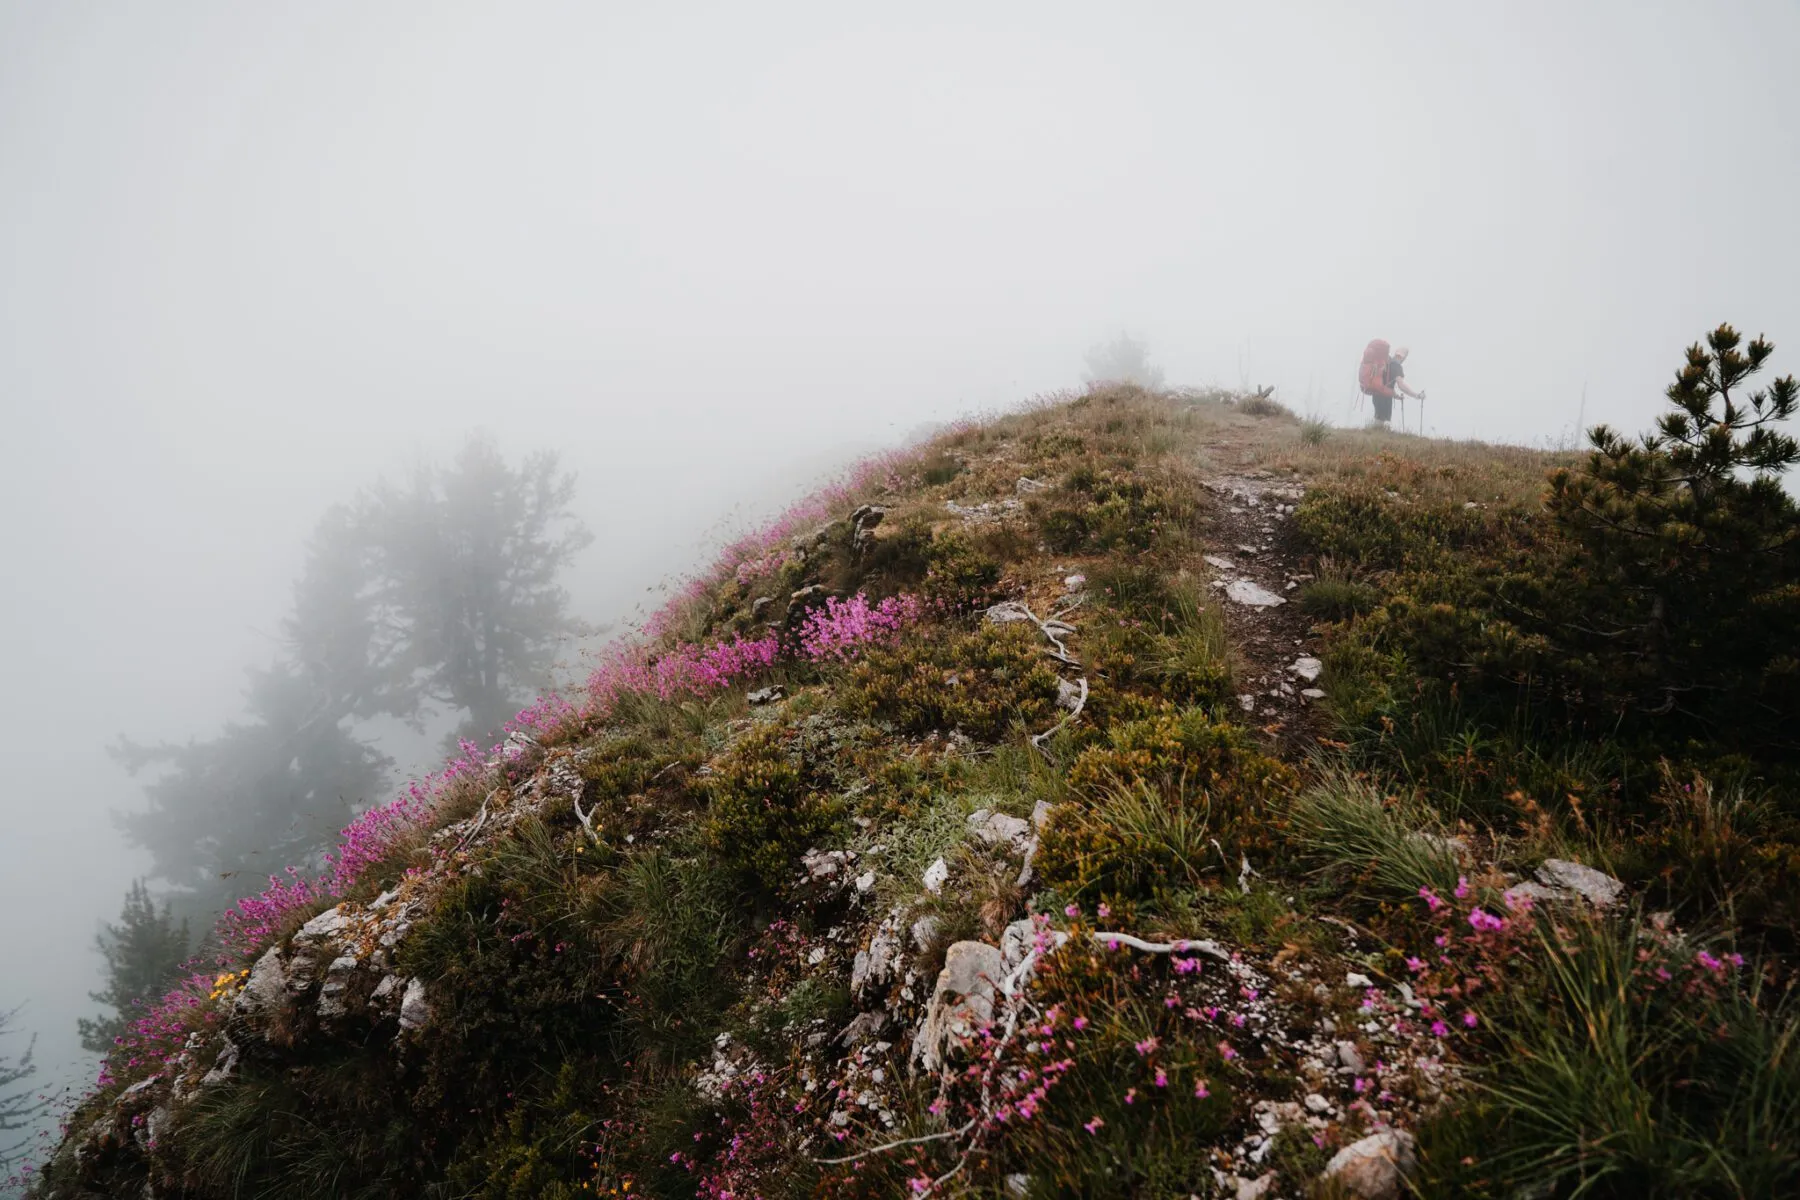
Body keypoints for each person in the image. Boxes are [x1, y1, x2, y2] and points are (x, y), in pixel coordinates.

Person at [1368, 344, 1425, 424]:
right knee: (1380, 420)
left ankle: (1373, 434)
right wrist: (1416, 395)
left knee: (1379, 419)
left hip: (1377, 393)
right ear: (1403, 357)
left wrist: (1396, 396)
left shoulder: (1388, 362)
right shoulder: (1396, 366)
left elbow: (1387, 383)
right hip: (1384, 396)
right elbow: (1401, 385)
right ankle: (1374, 434)